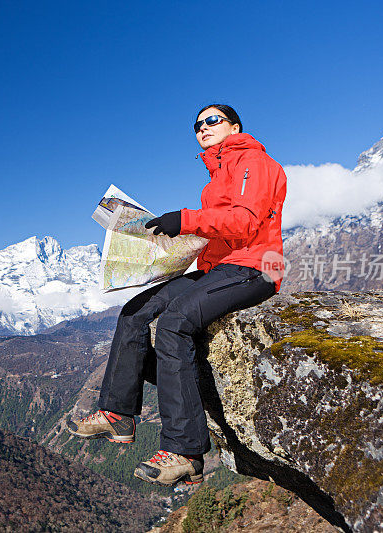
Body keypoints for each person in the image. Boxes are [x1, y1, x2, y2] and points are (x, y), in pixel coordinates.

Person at [66, 103, 287, 486]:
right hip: (214, 268)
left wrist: (184, 219)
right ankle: (117, 414)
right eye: (197, 125)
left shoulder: (254, 162)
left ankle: (186, 451)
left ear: (234, 126)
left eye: (212, 120)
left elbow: (246, 221)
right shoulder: (214, 180)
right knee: (135, 312)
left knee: (174, 323)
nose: (203, 128)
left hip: (255, 267)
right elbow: (217, 229)